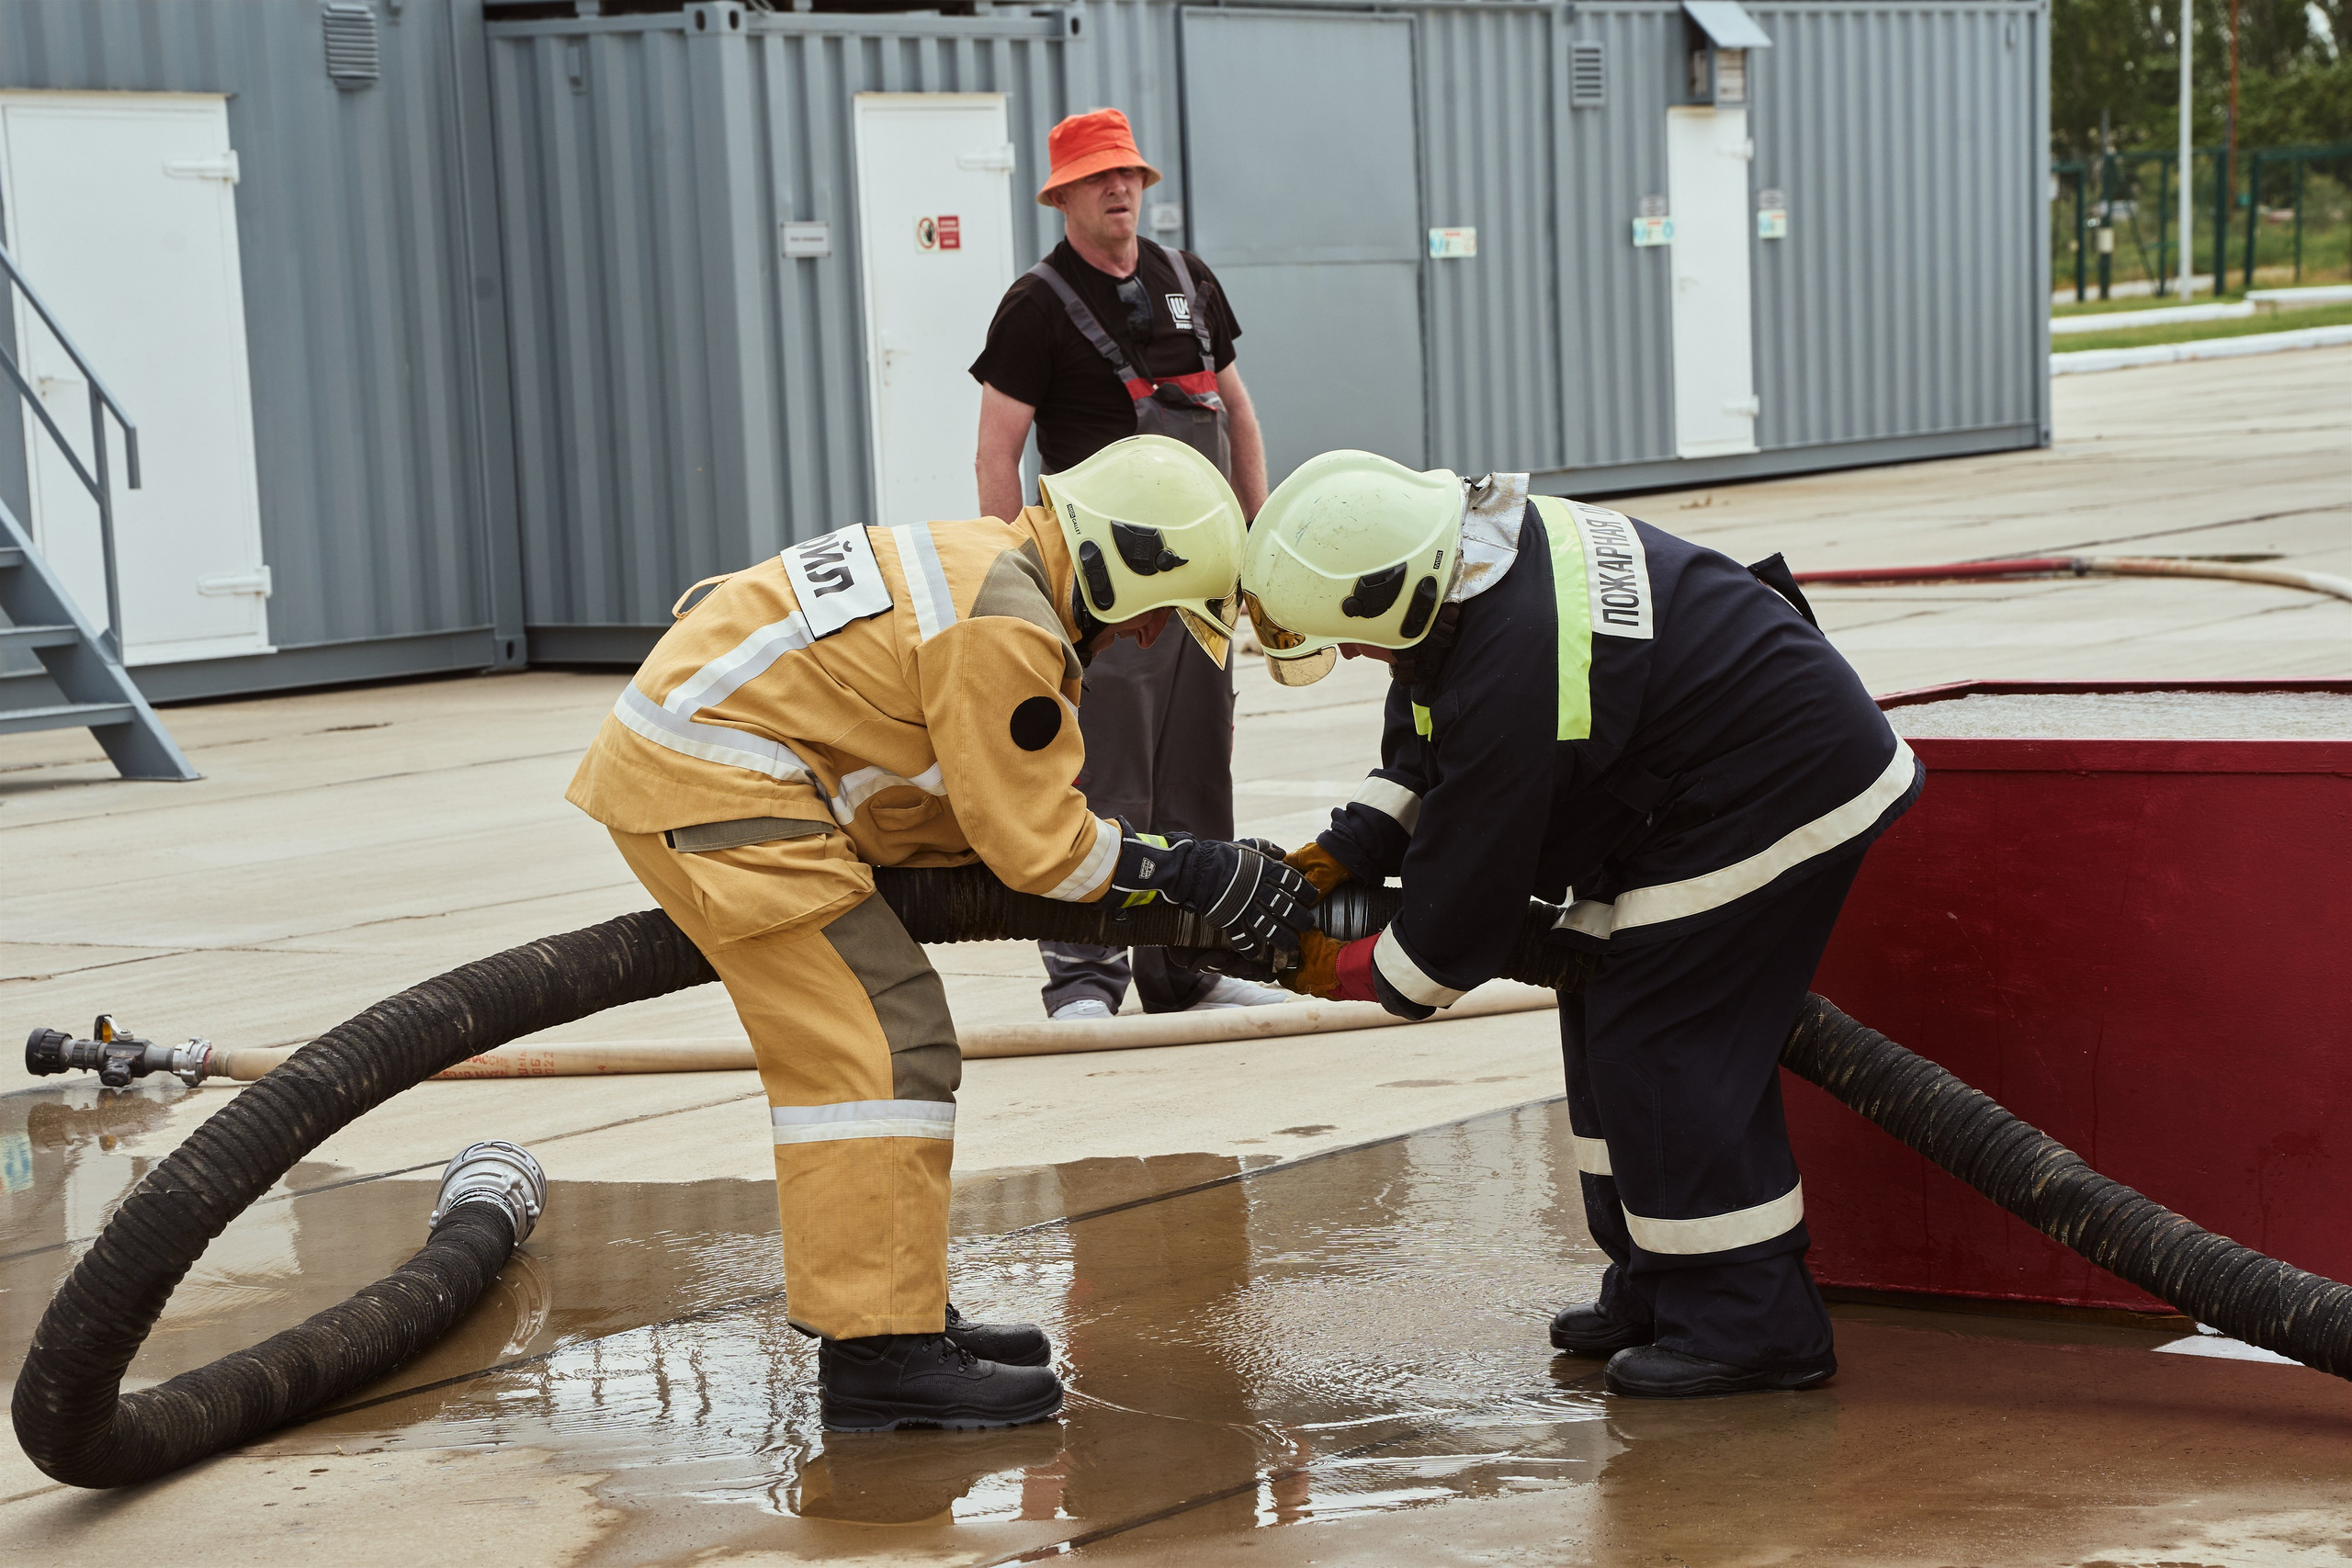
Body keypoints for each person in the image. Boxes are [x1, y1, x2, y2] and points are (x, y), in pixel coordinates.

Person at [565, 435, 1315, 1431]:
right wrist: (1195, 870)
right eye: (1156, 620)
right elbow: (1045, 852)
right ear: (1120, 567)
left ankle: (897, 1310)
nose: (1144, 646)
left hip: (712, 758)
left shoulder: (991, 562)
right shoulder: (1005, 626)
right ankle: (881, 1356)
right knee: (881, 1045)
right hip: (722, 786)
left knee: (888, 1039)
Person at [1236, 451, 1924, 1398]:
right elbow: (1427, 718)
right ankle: (1657, 1286)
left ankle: (1748, 1325)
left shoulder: (1511, 656)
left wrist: (1334, 965)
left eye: (1352, 639)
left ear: (1393, 590)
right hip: (1685, 783)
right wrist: (1351, 843)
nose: (1354, 656)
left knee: (1661, 1039)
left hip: (1773, 784)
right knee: (1601, 1015)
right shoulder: (1466, 563)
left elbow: (1465, 899)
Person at [970, 107, 1284, 1022]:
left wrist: (1257, 539)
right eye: (1099, 177)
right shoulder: (1035, 305)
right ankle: (1083, 980)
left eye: (1130, 175)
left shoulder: (1188, 280)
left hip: (1202, 585)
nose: (1120, 189)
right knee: (1100, 778)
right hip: (1100, 591)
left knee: (1195, 771)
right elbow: (998, 456)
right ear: (1061, 194)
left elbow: (1238, 415)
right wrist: (1013, 584)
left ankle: (1186, 971)